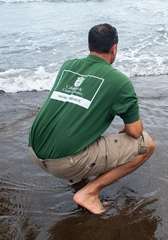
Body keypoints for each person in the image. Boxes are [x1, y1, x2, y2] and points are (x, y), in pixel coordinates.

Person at [28, 23, 156, 214]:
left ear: (90, 46)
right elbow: (136, 131)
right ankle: (90, 192)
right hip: (63, 161)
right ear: (114, 48)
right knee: (147, 145)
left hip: (34, 151)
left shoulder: (68, 66)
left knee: (78, 127)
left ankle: (78, 183)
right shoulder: (119, 81)